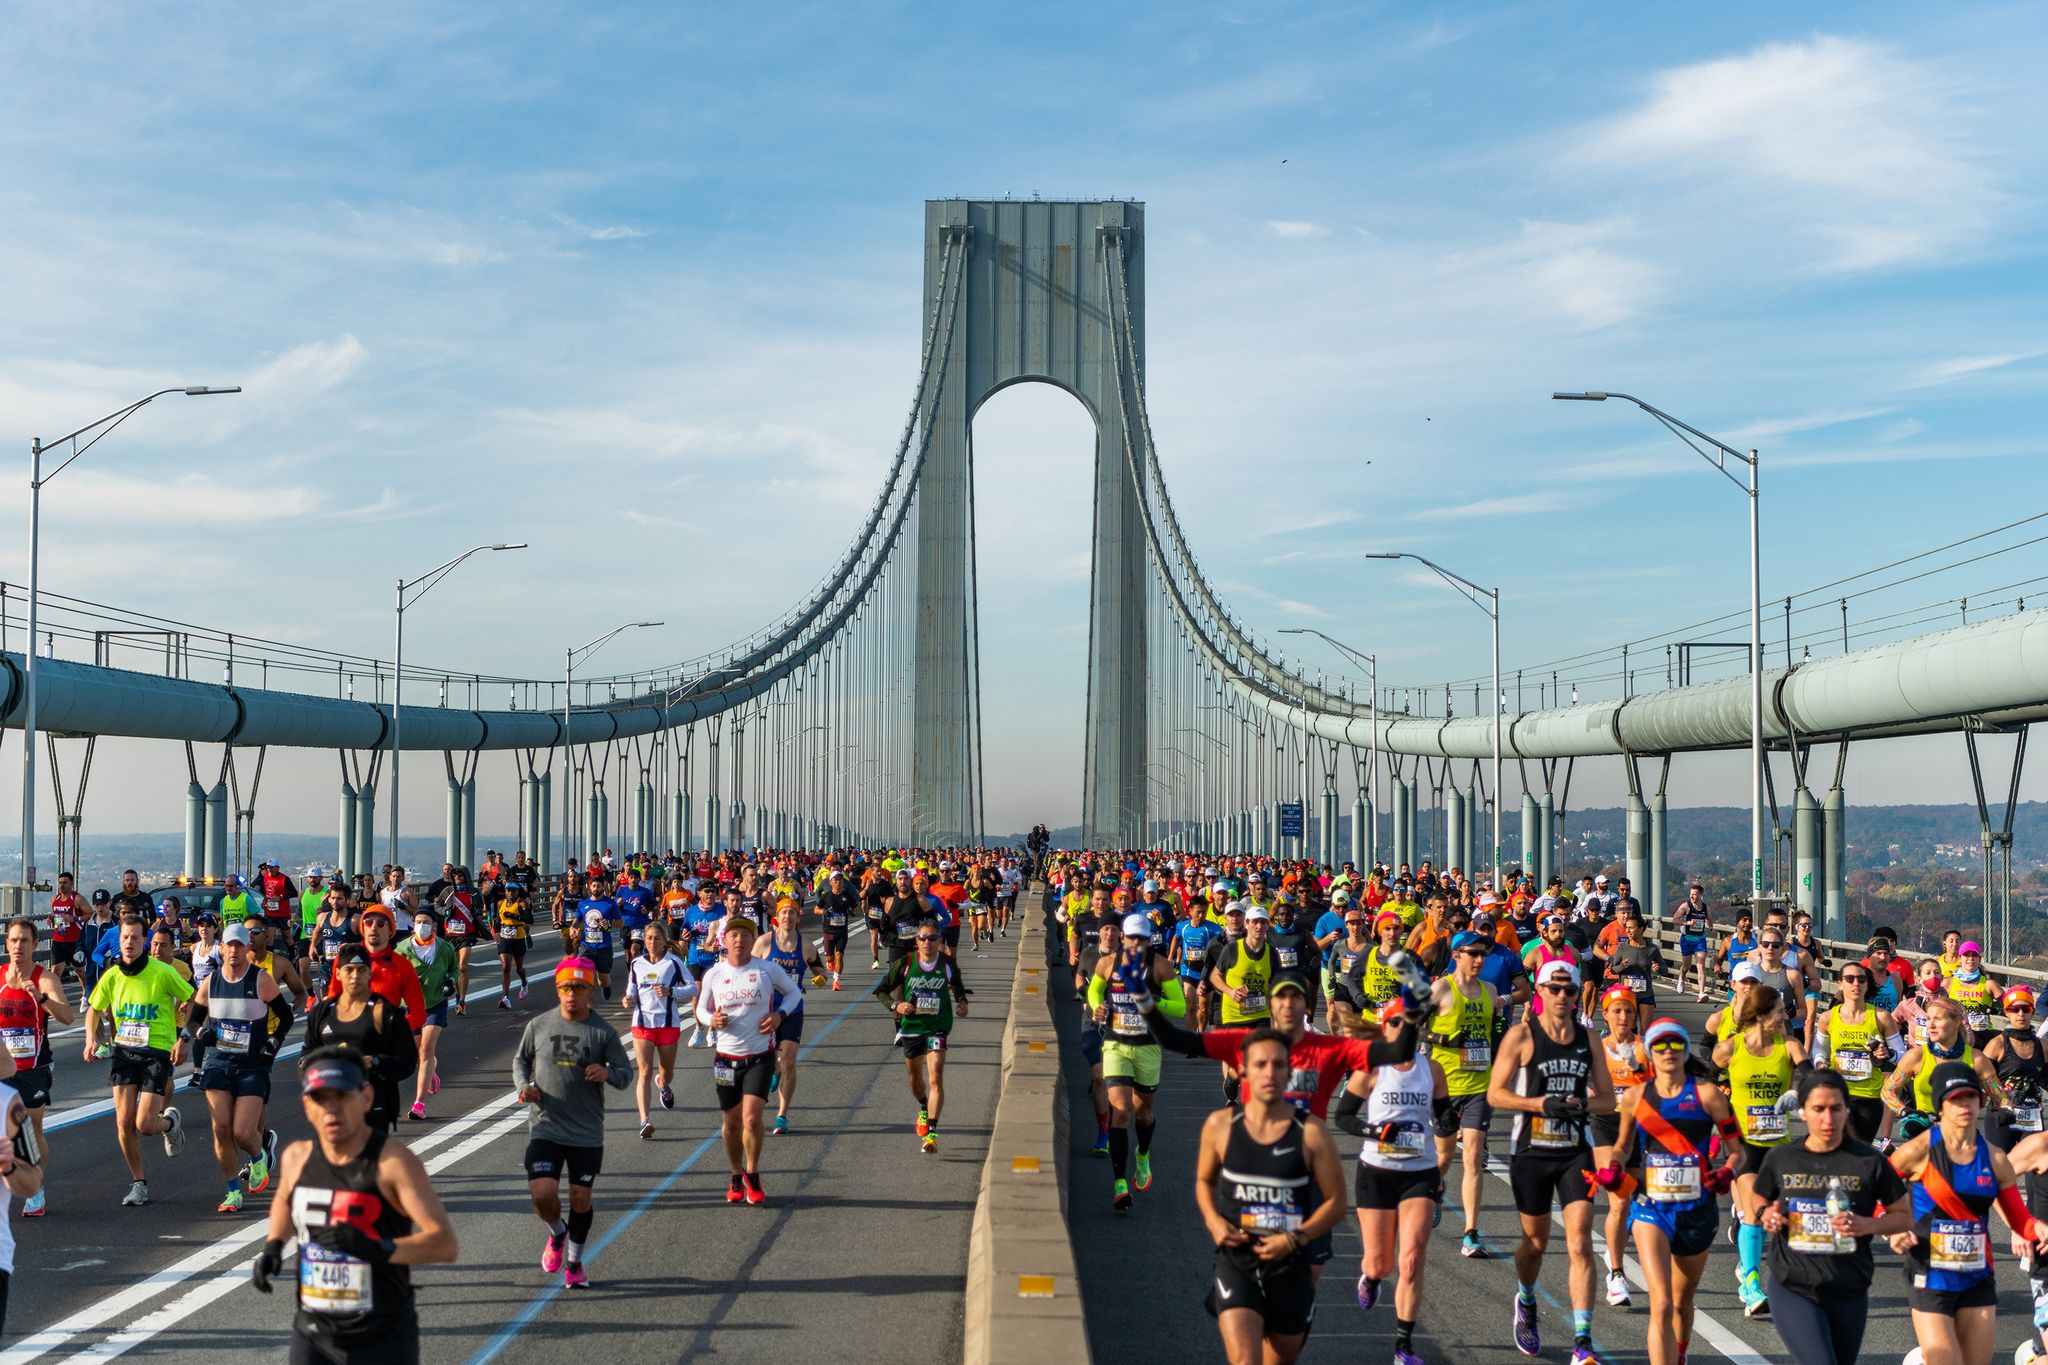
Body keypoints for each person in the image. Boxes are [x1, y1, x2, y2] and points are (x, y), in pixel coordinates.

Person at [249, 1048, 458, 1362]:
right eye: (321, 1098)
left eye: (342, 1096)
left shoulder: (393, 1163)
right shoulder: (297, 1157)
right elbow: (284, 1201)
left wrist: (377, 1249)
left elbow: (444, 1244)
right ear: (306, 1106)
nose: (332, 1109)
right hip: (313, 1333)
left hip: (383, 1336)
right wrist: (274, 1246)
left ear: (366, 1097)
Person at [1487, 959, 1616, 1363]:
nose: (1562, 996)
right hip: (1531, 1150)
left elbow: (1609, 1100)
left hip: (1575, 1149)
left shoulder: (1588, 1038)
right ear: (1540, 992)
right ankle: (1525, 1299)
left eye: (1570, 990)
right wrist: (1539, 1104)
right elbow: (1495, 1094)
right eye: (1555, 988)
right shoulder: (1523, 1036)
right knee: (1536, 1243)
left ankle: (1582, 1340)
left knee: (1580, 1241)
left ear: (1578, 995)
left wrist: (1581, 1104)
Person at [1196, 1028, 1347, 1365]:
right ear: (1242, 1070)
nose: (1269, 1072)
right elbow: (1204, 1181)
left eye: (1278, 1065)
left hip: (1290, 1264)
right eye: (1260, 1064)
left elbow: (1337, 1202)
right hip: (1237, 1259)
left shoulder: (1312, 1133)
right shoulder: (1220, 1125)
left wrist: (1295, 1239)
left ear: (1289, 1073)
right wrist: (1214, 1221)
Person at [1886, 1062, 2048, 1365]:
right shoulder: (1919, 1151)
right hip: (1930, 1274)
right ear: (1941, 1106)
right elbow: (1877, 1190)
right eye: (1956, 1099)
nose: (1965, 1105)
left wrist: (2037, 1228)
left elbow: (2019, 1219)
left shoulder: (1996, 1159)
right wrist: (1893, 1227)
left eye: (1971, 1097)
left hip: (1977, 1277)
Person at [1603, 1017, 1743, 1365]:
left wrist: (1727, 1172)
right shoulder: (1636, 1097)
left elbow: (1737, 1149)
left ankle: (1679, 1355)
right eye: (1660, 1045)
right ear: (1650, 1052)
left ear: (1685, 1049)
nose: (1668, 1051)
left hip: (1697, 1208)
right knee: (1661, 1302)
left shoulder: (1707, 1094)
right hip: (1652, 1206)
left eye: (1676, 1044)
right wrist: (1614, 1166)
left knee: (1682, 1301)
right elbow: (1622, 1146)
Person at [1751, 1068, 1912, 1365]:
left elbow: (1902, 1216)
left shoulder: (1869, 1161)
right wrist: (1766, 1213)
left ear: (1846, 1110)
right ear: (1803, 1112)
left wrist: (1868, 1224)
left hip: (1848, 1288)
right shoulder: (1783, 1157)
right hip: (1794, 1285)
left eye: (1836, 1108)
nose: (1828, 1118)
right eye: (1818, 1109)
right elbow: (1759, 1194)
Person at [1333, 1010, 1445, 1365]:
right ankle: (1370, 1276)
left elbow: (1444, 1116)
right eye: (1396, 1023)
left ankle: (1403, 1347)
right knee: (1380, 1263)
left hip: (1419, 1171)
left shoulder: (1432, 1069)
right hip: (1377, 1172)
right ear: (1385, 1028)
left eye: (1409, 1024)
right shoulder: (1372, 1068)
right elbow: (1343, 1116)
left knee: (1411, 1259)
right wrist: (1375, 1132)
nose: (1403, 1029)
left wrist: (1448, 1120)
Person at [515, 957, 631, 1288]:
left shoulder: (603, 1033)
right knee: (541, 1193)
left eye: (579, 988)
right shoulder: (538, 1025)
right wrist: (524, 1087)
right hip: (546, 1125)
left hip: (585, 1131)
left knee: (581, 1198)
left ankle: (575, 1263)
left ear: (590, 991)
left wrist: (608, 1072)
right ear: (558, 989)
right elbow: (520, 1060)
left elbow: (625, 1075)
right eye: (566, 988)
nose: (571, 995)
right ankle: (557, 1232)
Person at [1711, 982, 1808, 1316]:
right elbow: (1708, 1085)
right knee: (1754, 1209)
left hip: (1779, 1145)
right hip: (1742, 1144)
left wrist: (1804, 1092)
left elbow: (1808, 1077)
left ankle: (1754, 1269)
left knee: (1780, 1214)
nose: (1785, 1014)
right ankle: (1751, 1284)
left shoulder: (1790, 1046)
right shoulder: (1729, 1049)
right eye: (1780, 1010)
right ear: (1763, 1014)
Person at [85, 917, 194, 1207]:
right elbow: (94, 1008)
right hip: (124, 1052)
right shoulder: (112, 975)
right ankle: (138, 1183)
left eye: (135, 938)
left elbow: (192, 997)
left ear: (144, 941)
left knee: (145, 1124)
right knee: (123, 1120)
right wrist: (90, 1039)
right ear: (118, 941)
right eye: (125, 938)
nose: (129, 943)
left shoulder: (162, 972)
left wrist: (183, 1037)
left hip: (156, 1052)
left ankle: (169, 1124)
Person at [189, 922, 290, 1212]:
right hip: (219, 1062)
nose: (233, 950)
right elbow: (194, 1019)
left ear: (248, 948)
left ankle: (258, 1156)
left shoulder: (261, 980)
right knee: (221, 1128)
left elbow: (284, 1018)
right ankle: (232, 1191)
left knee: (243, 1133)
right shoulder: (211, 982)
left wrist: (272, 1044)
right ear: (221, 949)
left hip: (252, 1066)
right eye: (228, 945)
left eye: (239, 945)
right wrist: (200, 1034)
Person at [1088, 913, 1184, 1209]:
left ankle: (1142, 1153)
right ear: (1122, 937)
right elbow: (1094, 990)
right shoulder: (1108, 963)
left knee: (1143, 1115)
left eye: (1142, 938)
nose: (1137, 943)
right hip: (1116, 1045)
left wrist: (1157, 1003)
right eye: (1132, 938)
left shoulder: (1159, 965)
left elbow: (1181, 1007)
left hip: (1147, 1048)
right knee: (1121, 1112)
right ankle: (1120, 1182)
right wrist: (1097, 1007)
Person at [698, 917, 800, 1196]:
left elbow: (793, 994)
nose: (739, 940)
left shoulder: (767, 970)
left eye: (746, 935)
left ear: (753, 940)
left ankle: (752, 1172)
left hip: (759, 1055)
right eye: (734, 935)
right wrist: (711, 1019)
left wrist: (780, 1015)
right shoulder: (714, 974)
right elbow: (701, 1010)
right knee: (731, 1122)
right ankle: (735, 1174)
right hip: (725, 1059)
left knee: (752, 1119)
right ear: (725, 940)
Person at [1427, 929, 1502, 1261]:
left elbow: (1494, 1032)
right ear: (1456, 955)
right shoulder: (1441, 988)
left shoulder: (1489, 990)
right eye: (1472, 954)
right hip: (1444, 1086)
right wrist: (1442, 1041)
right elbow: (1412, 1024)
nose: (1479, 960)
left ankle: (1471, 1232)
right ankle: (1436, 1189)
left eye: (1482, 954)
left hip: (1478, 1086)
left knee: (1472, 1157)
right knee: (1443, 1158)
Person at [878, 918, 971, 1154]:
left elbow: (957, 985)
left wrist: (962, 1002)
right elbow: (881, 991)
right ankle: (922, 1106)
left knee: (935, 1076)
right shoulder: (906, 963)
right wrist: (896, 1006)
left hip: (937, 1024)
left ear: (940, 941)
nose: (927, 942)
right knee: (914, 1079)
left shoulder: (947, 963)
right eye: (922, 938)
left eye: (932, 938)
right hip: (911, 1026)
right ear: (916, 942)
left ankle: (931, 1132)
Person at [2, 917, 73, 1217]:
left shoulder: (45, 979)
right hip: (3, 1068)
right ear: (7, 944)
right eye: (14, 940)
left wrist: (41, 998)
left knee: (31, 1129)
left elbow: (67, 1017)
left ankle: (36, 1186)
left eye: (25, 941)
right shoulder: (0, 977)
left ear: (35, 944)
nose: (19, 946)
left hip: (33, 1069)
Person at [305, 946, 417, 1132]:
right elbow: (307, 1053)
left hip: (373, 1107)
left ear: (370, 972)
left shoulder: (385, 1012)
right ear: (338, 973)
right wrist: (318, 1067)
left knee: (366, 1158)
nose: (355, 976)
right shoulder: (322, 1012)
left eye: (361, 970)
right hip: (331, 1110)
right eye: (349, 969)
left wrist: (374, 1061)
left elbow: (407, 1062)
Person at [1591, 985, 1650, 1308]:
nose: (1624, 1016)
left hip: (1639, 1127)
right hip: (1607, 1124)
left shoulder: (1644, 1048)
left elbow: (1660, 1087)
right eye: (1617, 1011)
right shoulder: (1597, 1048)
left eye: (1628, 1010)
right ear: (1606, 1014)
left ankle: (1614, 1247)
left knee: (1632, 1202)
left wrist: (1639, 1069)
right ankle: (1616, 1274)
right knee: (1618, 1197)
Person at [1813, 960, 1905, 1147]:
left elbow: (1903, 1055)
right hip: (1837, 1094)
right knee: (1836, 1148)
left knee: (1860, 1152)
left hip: (1869, 1098)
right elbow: (1819, 1050)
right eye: (1850, 979)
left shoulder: (1881, 1017)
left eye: (1861, 979)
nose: (1856, 983)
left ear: (1867, 984)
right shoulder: (1827, 1018)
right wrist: (1820, 1064)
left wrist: (1887, 1053)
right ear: (1840, 984)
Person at [623, 921, 696, 1139]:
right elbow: (632, 991)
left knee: (667, 1072)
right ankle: (645, 1121)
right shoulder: (637, 964)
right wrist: (628, 999)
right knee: (644, 1071)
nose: (652, 942)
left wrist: (670, 991)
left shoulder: (673, 963)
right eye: (649, 938)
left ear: (665, 941)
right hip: (642, 1024)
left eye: (657, 938)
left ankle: (664, 1085)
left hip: (668, 1023)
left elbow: (691, 989)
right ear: (644, 941)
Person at [755, 899, 812, 1135]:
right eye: (784, 912)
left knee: (788, 1061)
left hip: (792, 1010)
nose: (788, 916)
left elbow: (818, 968)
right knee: (769, 1061)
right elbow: (747, 967)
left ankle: (782, 1115)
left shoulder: (807, 945)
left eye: (792, 912)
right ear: (777, 916)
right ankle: (775, 1073)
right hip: (766, 1010)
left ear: (799, 917)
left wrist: (820, 976)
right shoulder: (764, 942)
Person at [396, 911, 458, 1120]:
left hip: (435, 1004)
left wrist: (450, 982)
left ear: (434, 926)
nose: (422, 925)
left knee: (425, 1050)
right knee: (417, 1056)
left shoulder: (445, 947)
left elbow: (453, 969)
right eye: (418, 922)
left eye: (426, 923)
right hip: (412, 1006)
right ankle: (431, 1069)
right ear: (413, 924)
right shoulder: (402, 949)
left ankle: (419, 1104)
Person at [493, 884, 534, 1007]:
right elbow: (497, 921)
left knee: (518, 968)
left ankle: (524, 982)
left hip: (518, 938)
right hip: (505, 937)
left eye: (513, 891)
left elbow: (529, 919)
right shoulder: (500, 903)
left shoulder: (521, 903)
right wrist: (497, 936)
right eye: (508, 891)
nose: (510, 893)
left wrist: (514, 916)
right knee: (506, 966)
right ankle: (505, 998)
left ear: (517, 892)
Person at [1672, 884, 1714, 1002]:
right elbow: (1674, 919)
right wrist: (1687, 923)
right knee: (1686, 966)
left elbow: (1709, 918)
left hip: (1700, 939)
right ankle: (1681, 978)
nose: (1692, 896)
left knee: (1701, 964)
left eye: (1694, 894)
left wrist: (1711, 926)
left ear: (1701, 895)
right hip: (1687, 939)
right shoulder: (1686, 906)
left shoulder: (1706, 908)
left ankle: (1701, 993)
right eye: (1690, 894)